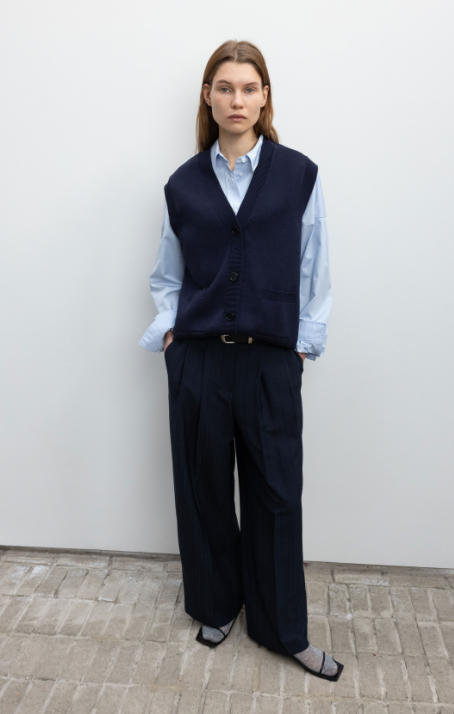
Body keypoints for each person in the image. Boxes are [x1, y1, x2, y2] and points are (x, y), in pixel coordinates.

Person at [139, 39, 343, 682]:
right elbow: (167, 273)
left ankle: (282, 628)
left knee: (276, 496)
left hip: (270, 363)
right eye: (225, 87)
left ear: (264, 97)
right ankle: (216, 604)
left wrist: (303, 343)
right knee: (203, 490)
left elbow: (315, 265)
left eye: (249, 88)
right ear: (208, 96)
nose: (237, 100)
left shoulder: (299, 175)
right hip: (199, 361)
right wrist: (170, 337)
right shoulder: (182, 184)